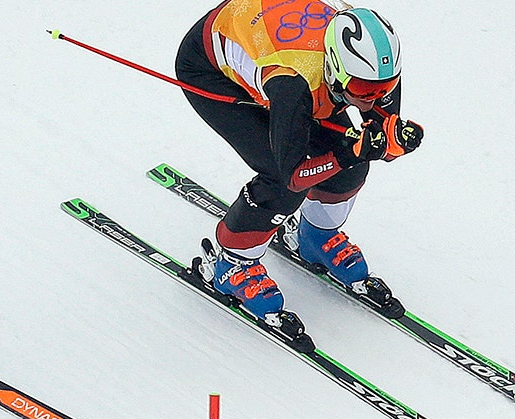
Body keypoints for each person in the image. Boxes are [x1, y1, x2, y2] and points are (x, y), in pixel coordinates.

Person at [175, 2, 424, 331]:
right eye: (363, 90)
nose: (374, 99)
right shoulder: (292, 82)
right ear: (337, 68)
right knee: (279, 181)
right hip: (211, 71)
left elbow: (380, 131)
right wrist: (351, 152)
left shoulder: (374, 67)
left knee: (350, 168)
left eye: (385, 87)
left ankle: (314, 237)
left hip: (290, 51)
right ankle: (230, 264)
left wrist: (391, 141)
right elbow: (293, 176)